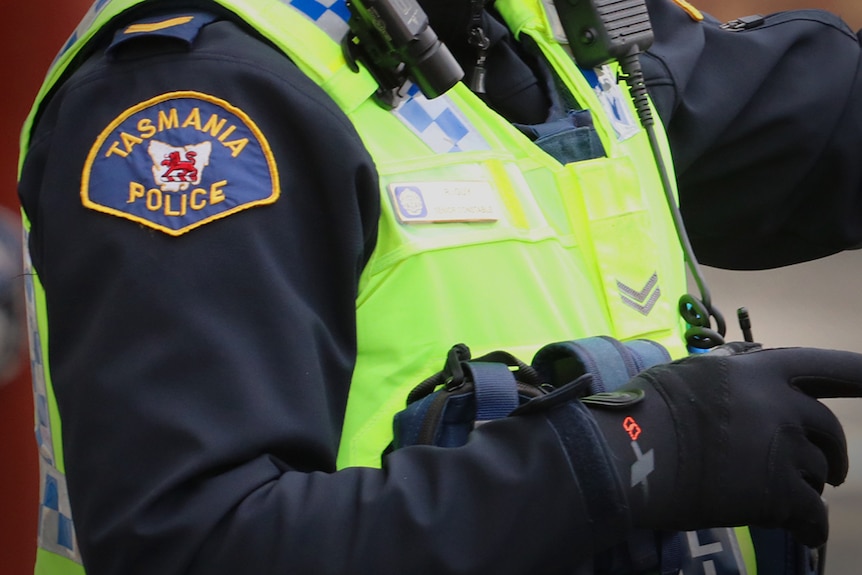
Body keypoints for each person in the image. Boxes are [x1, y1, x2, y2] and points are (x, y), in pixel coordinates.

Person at [16, 0, 862, 574]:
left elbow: (821, 122)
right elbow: (194, 544)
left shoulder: (536, 33)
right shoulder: (202, 97)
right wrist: (634, 451)